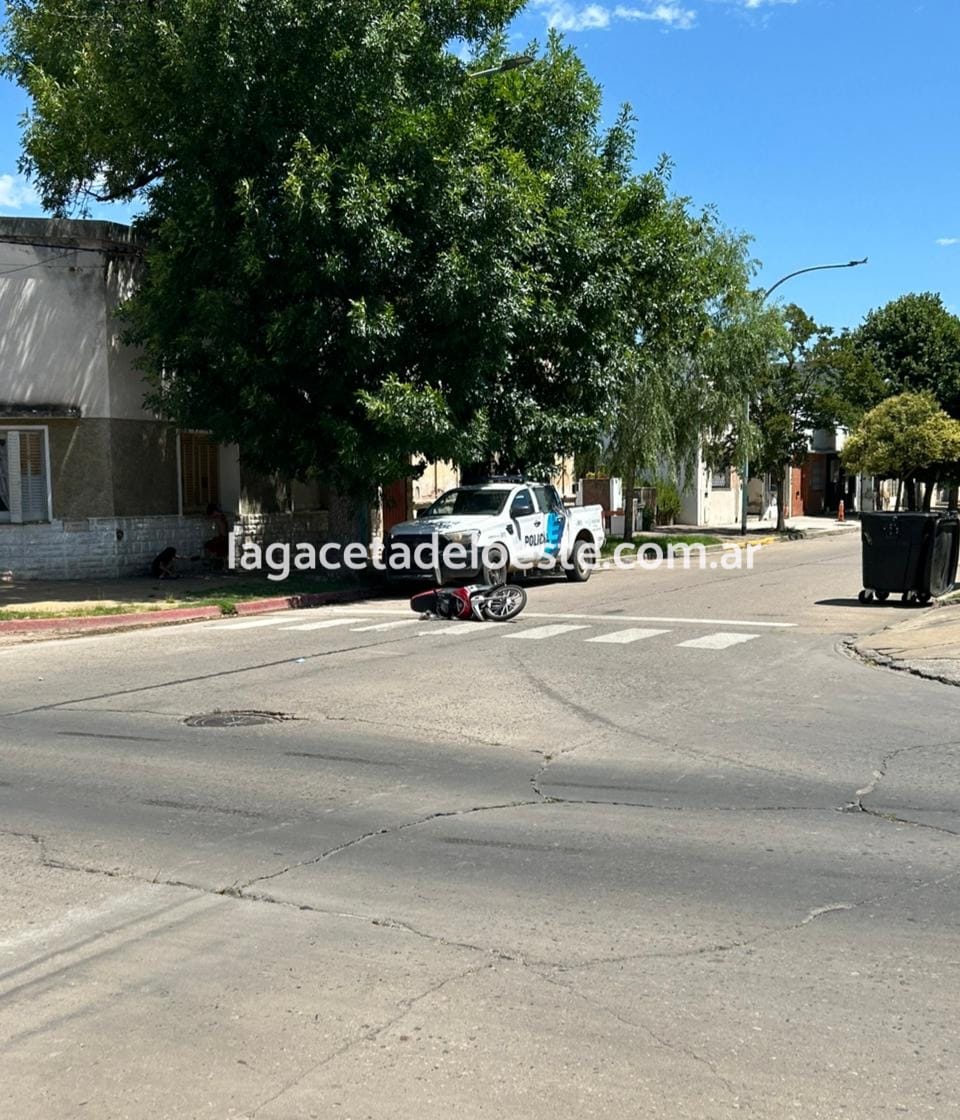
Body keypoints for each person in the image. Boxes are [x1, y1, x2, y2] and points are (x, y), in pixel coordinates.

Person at [203, 502, 230, 569]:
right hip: (225, 537)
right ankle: (222, 565)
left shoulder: (218, 517)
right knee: (222, 553)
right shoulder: (221, 516)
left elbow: (209, 518)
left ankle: (209, 561)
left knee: (207, 546)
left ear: (214, 511)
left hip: (222, 538)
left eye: (213, 513)